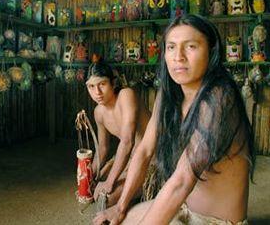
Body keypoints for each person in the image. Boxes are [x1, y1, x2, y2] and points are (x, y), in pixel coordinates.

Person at [93, 14, 255, 225]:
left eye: (190, 46)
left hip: (216, 222)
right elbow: (144, 151)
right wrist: (120, 207)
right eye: (171, 47)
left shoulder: (220, 97)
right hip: (183, 209)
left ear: (212, 52)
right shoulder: (169, 94)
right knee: (113, 218)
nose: (178, 56)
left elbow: (182, 180)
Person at [86, 61, 151, 208]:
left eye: (102, 84)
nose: (97, 92)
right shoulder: (99, 113)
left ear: (113, 83)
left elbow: (128, 142)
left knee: (106, 198)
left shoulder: (126, 95)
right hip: (130, 156)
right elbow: (102, 149)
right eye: (91, 86)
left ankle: (143, 185)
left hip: (151, 156)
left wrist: (110, 182)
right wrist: (89, 176)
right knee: (96, 180)